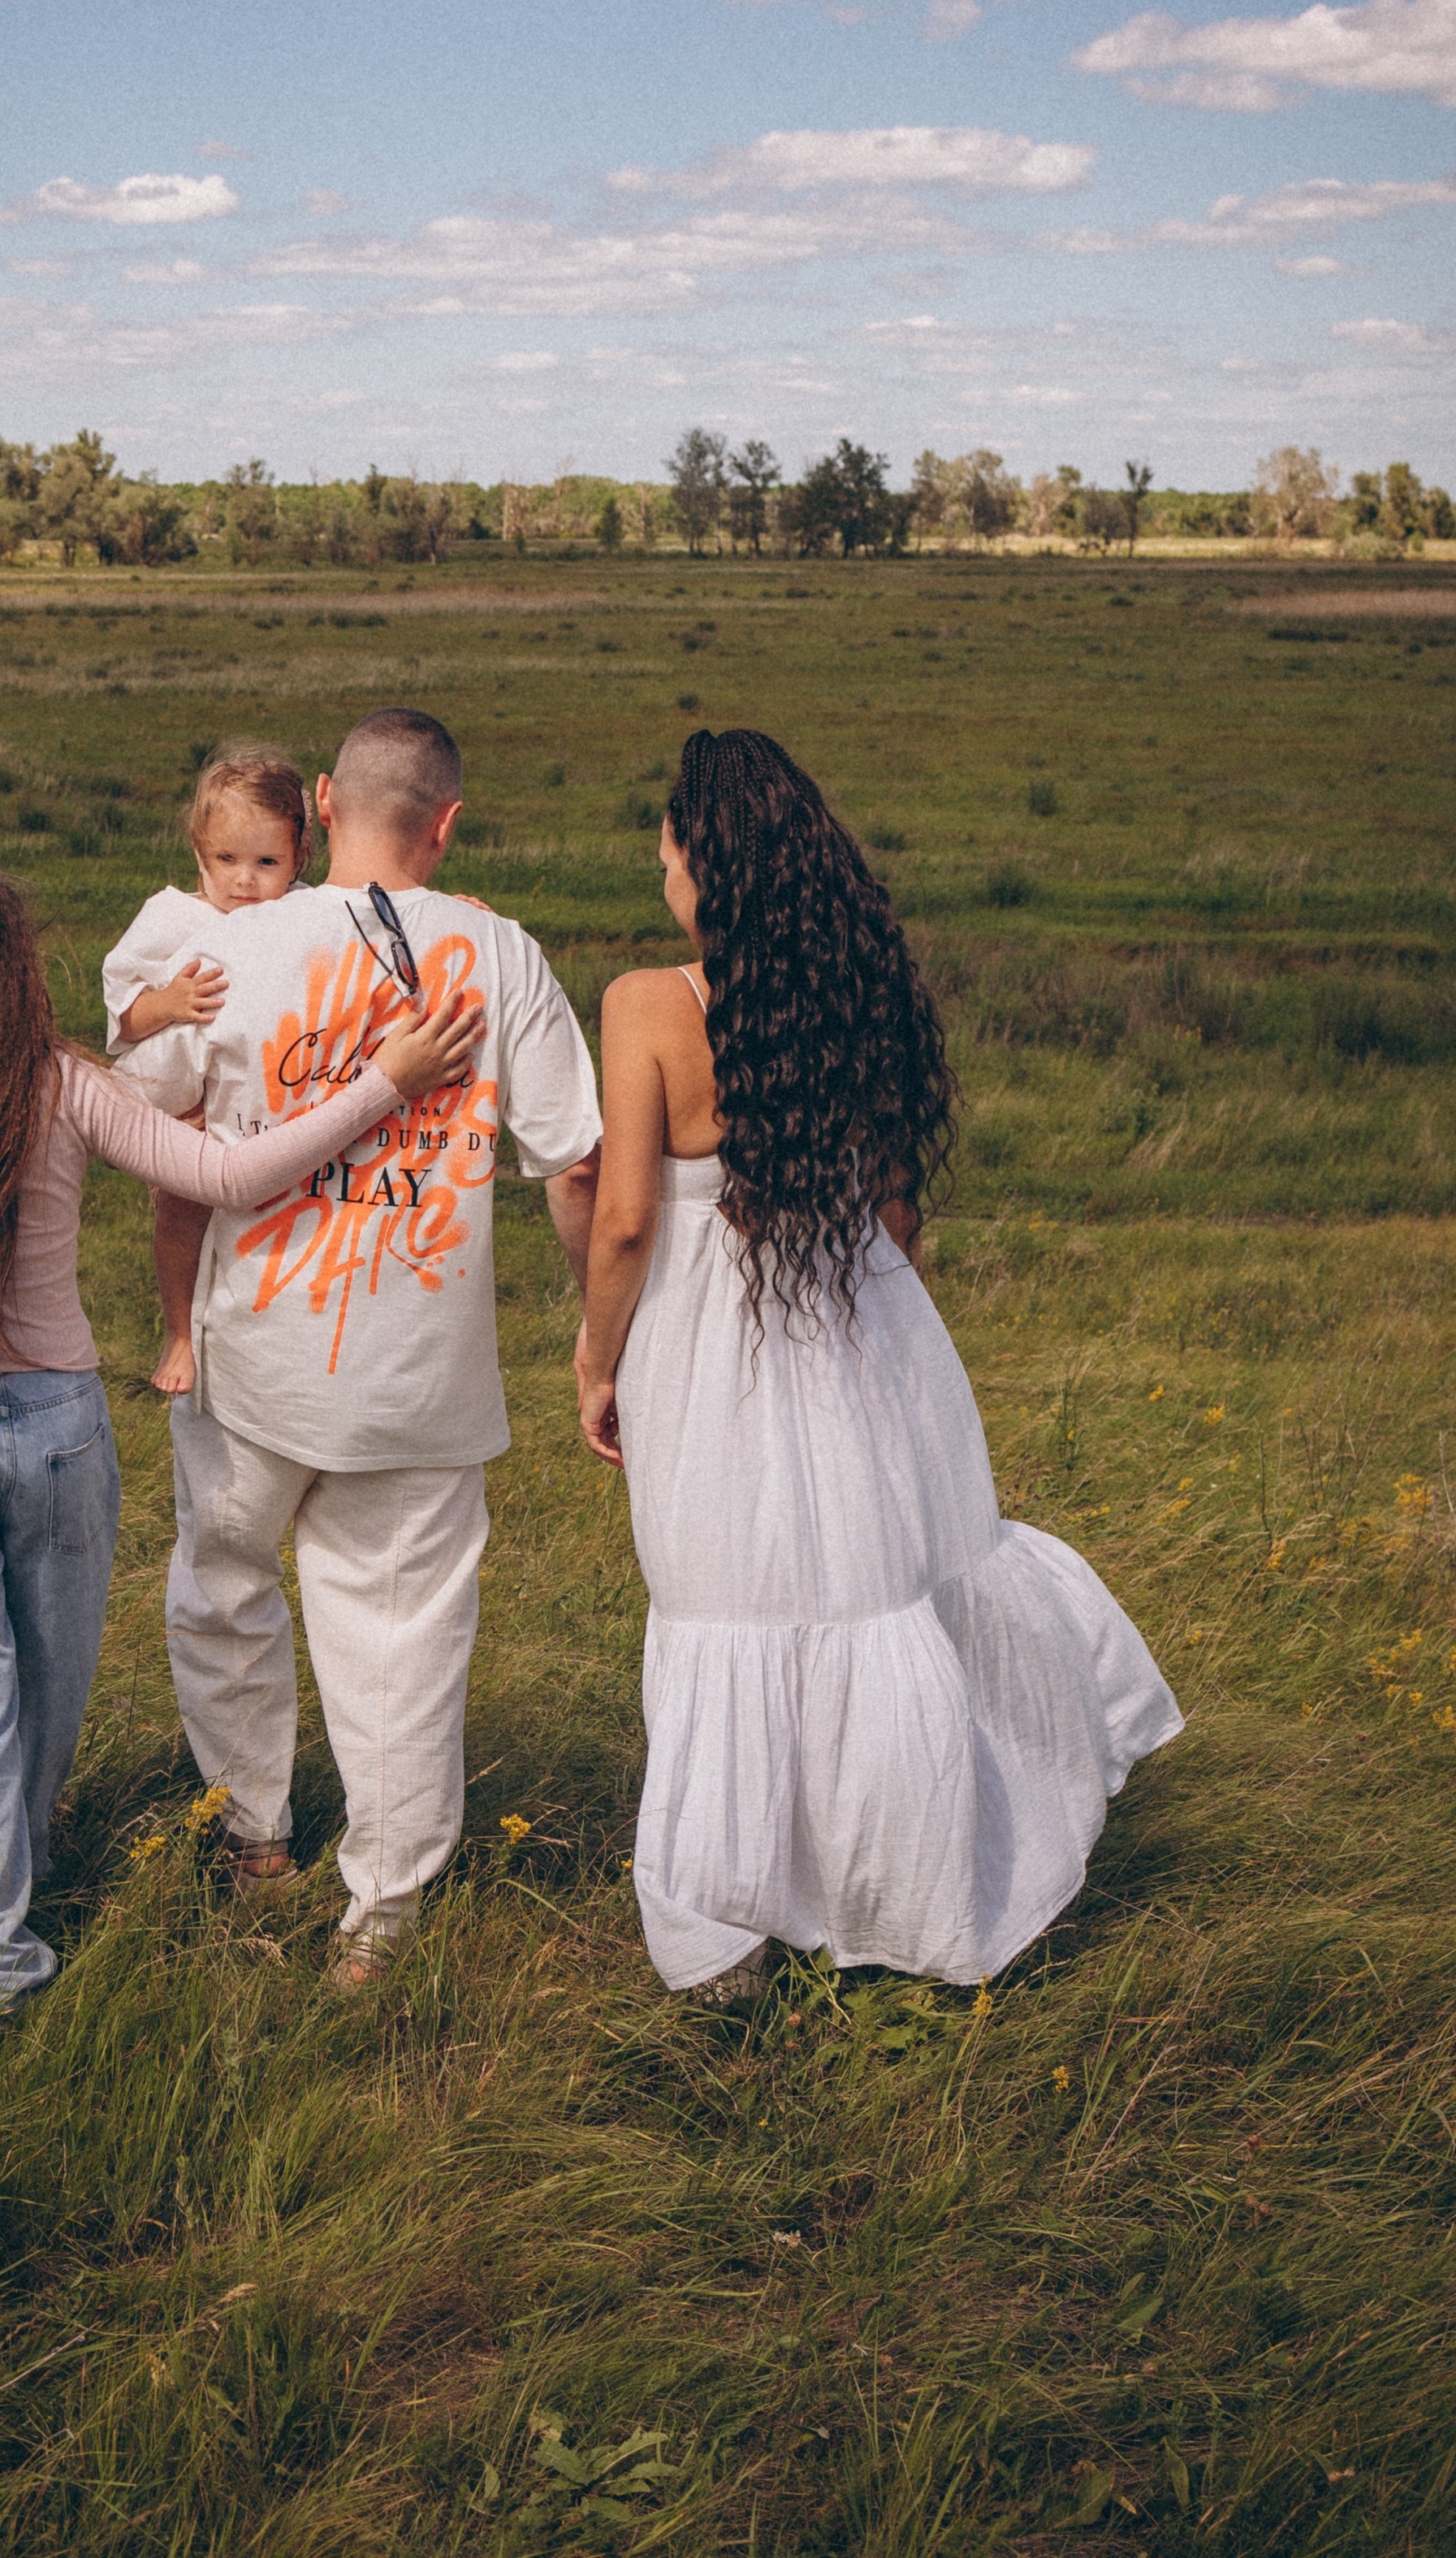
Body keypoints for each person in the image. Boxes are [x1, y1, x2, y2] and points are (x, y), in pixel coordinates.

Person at [0, 860, 482, 2037]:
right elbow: (230, 1175)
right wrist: (385, 1082)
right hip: (59, 1450)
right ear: (6, 975)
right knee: (38, 1699)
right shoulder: (62, 1087)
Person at [576, 730, 1182, 2003]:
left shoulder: (646, 1006)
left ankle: (732, 1937)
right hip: (865, 1336)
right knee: (875, 1595)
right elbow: (896, 1212)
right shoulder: (865, 985)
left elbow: (626, 1221)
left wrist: (594, 1358)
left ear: (699, 859)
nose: (662, 862)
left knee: (728, 1612)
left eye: (669, 840)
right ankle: (898, 1887)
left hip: (713, 1361)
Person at [122, 707, 603, 1981]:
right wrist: (605, 1344)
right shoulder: (500, 953)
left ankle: (251, 1833)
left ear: (323, 802)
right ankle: (381, 1916)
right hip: (420, 1381)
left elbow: (149, 1120)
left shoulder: (230, 946)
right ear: (446, 824)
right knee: (400, 1636)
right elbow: (572, 1170)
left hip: (252, 1364)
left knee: (223, 1589)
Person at [100, 747, 313, 1394]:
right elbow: (123, 1020)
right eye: (227, 860)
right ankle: (180, 1335)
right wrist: (167, 1003)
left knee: (280, 1213)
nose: (244, 881)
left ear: (299, 861)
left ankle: (280, 1334)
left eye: (267, 862)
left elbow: (376, 917)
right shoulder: (171, 916)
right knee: (183, 1213)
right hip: (178, 1096)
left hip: (262, 1095)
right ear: (199, 854)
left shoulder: (306, 909)